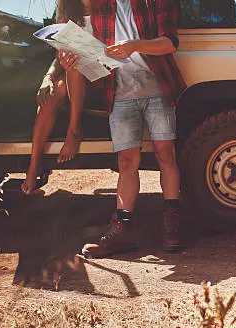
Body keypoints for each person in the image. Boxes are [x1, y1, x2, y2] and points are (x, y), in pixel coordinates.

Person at [78, 0, 187, 257]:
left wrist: (134, 46)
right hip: (120, 93)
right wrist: (75, 59)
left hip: (158, 88)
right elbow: (92, 52)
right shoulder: (101, 6)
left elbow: (170, 42)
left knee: (166, 154)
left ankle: (172, 221)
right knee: (127, 161)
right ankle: (123, 230)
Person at [21, 0, 92, 195]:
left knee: (74, 64)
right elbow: (59, 56)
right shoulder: (68, 11)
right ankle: (33, 166)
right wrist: (48, 78)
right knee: (49, 95)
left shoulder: (109, 9)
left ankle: (74, 130)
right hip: (73, 74)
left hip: (102, 75)